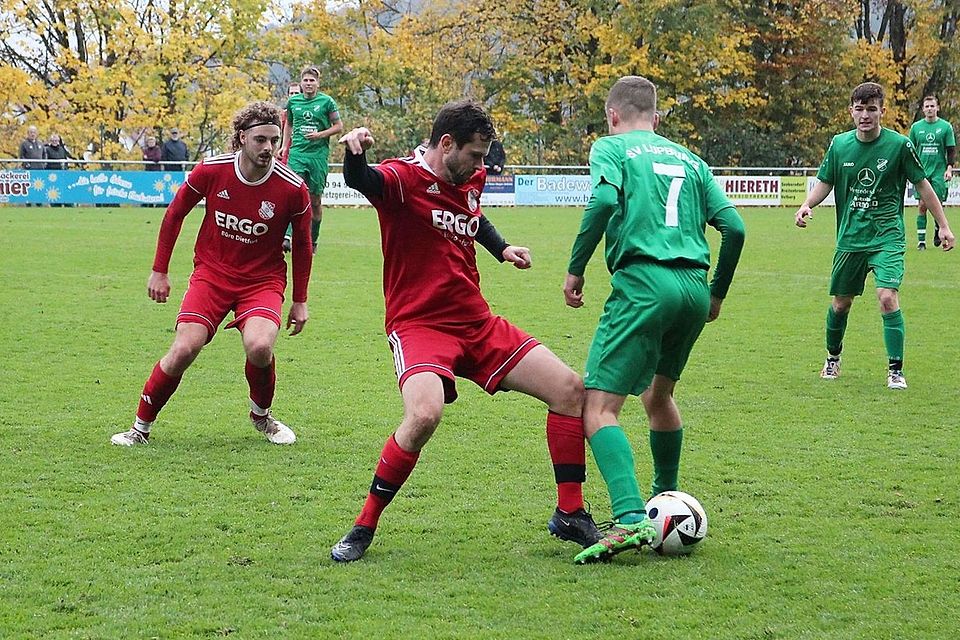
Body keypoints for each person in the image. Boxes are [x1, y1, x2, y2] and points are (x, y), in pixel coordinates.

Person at [330, 100, 600, 562]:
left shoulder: (467, 177)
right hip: (419, 325)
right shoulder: (402, 179)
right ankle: (364, 525)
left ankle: (570, 513)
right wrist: (354, 152)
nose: (481, 166)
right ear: (446, 144)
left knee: (571, 390)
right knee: (424, 416)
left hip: (476, 322)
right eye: (476, 156)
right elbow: (362, 180)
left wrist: (502, 248)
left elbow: (472, 216)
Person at [562, 75, 745, 564]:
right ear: (657, 118)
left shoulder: (612, 147)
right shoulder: (692, 160)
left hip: (644, 284)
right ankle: (667, 501)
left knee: (598, 408)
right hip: (691, 288)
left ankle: (628, 520)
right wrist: (717, 294)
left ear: (613, 115)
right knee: (659, 395)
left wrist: (576, 268)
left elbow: (602, 201)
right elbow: (735, 227)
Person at [111, 101, 313, 447]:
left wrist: (300, 301)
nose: (268, 148)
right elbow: (174, 215)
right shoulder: (212, 170)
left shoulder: (292, 188)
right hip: (212, 275)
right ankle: (140, 428)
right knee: (184, 348)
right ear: (241, 138)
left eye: (274, 141)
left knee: (260, 346)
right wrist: (159, 271)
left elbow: (304, 246)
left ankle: (262, 417)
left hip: (262, 281)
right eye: (260, 140)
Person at [795, 82, 954, 390]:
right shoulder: (839, 145)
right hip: (851, 237)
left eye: (871, 109)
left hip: (887, 237)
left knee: (887, 297)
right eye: (859, 109)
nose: (865, 115)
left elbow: (923, 186)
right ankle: (833, 358)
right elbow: (825, 182)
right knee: (841, 304)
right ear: (851, 111)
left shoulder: (899, 145)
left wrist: (944, 225)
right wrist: (806, 204)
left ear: (882, 111)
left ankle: (896, 369)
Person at [279, 65, 343, 254]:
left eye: (312, 80)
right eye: (305, 80)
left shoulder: (327, 102)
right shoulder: (294, 103)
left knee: (315, 200)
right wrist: (284, 145)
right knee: (292, 194)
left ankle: (313, 240)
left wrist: (320, 134)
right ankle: (287, 237)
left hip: (317, 157)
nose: (308, 83)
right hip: (297, 154)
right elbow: (289, 123)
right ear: (301, 83)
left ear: (317, 83)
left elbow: (339, 126)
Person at [908, 95, 955, 249]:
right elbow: (910, 150)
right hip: (922, 172)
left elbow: (950, 150)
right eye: (927, 106)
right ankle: (921, 242)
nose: (929, 109)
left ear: (937, 108)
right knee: (922, 205)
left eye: (932, 106)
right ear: (923, 109)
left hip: (939, 172)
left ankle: (937, 229)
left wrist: (949, 168)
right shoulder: (916, 128)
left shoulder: (946, 127)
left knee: (937, 205)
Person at [279, 82, 302, 252]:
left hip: (300, 157)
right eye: (291, 93)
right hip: (284, 157)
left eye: (296, 93)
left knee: (296, 195)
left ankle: (290, 235)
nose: (293, 96)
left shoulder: (305, 113)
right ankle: (282, 234)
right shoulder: (283, 116)